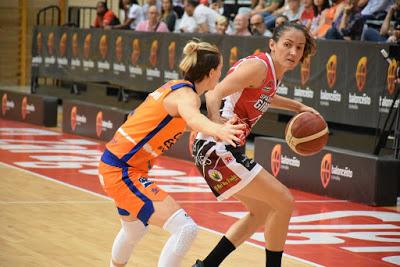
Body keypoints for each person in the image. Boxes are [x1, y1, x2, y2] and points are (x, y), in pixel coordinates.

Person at [98, 40, 245, 267]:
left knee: (134, 230)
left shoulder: (174, 87)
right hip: (121, 171)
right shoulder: (188, 97)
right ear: (212, 72)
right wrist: (218, 130)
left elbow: (181, 122)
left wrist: (215, 123)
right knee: (185, 229)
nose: (221, 75)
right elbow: (193, 118)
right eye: (221, 69)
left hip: (116, 164)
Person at [191, 22, 318, 267]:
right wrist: (219, 125)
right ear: (273, 45)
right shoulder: (259, 66)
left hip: (216, 149)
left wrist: (299, 107)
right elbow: (213, 93)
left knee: (261, 211)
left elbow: (267, 95)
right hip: (216, 146)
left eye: (299, 48)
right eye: (287, 45)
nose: (293, 52)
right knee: (284, 201)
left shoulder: (271, 74)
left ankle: (206, 266)